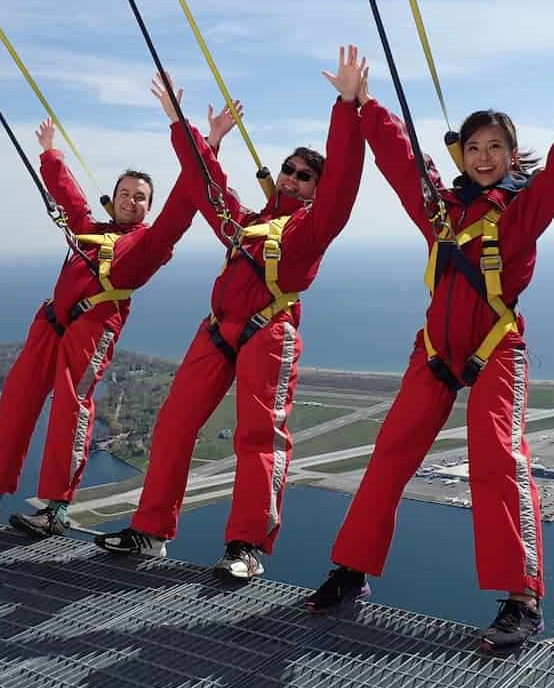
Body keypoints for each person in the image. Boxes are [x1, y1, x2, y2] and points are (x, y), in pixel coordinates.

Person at [303, 29, 554, 653]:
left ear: (512, 153)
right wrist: (359, 105)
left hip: (496, 345)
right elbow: (398, 158)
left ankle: (521, 599)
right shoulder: (440, 210)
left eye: (496, 147)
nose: (485, 156)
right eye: (474, 147)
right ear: (462, 155)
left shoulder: (526, 208)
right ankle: (351, 571)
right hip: (436, 351)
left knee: (498, 456)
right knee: (391, 451)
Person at [93, 45, 369, 578]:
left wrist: (349, 108)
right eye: (288, 168)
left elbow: (344, 184)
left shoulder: (312, 227)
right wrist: (183, 124)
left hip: (270, 333)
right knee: (173, 424)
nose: (291, 176)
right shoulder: (245, 224)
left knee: (258, 436)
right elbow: (205, 183)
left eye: (304, 175)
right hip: (218, 331)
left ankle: (246, 548)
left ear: (316, 188)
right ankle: (149, 531)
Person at [0, 109, 198, 536]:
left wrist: (204, 143)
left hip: (94, 326)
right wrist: (50, 154)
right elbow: (70, 199)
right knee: (17, 402)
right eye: (125, 192)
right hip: (51, 322)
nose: (131, 200)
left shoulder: (150, 242)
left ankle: (56, 508)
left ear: (150, 207)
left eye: (140, 196)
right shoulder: (90, 228)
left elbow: (184, 206)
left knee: (71, 410)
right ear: (114, 196)